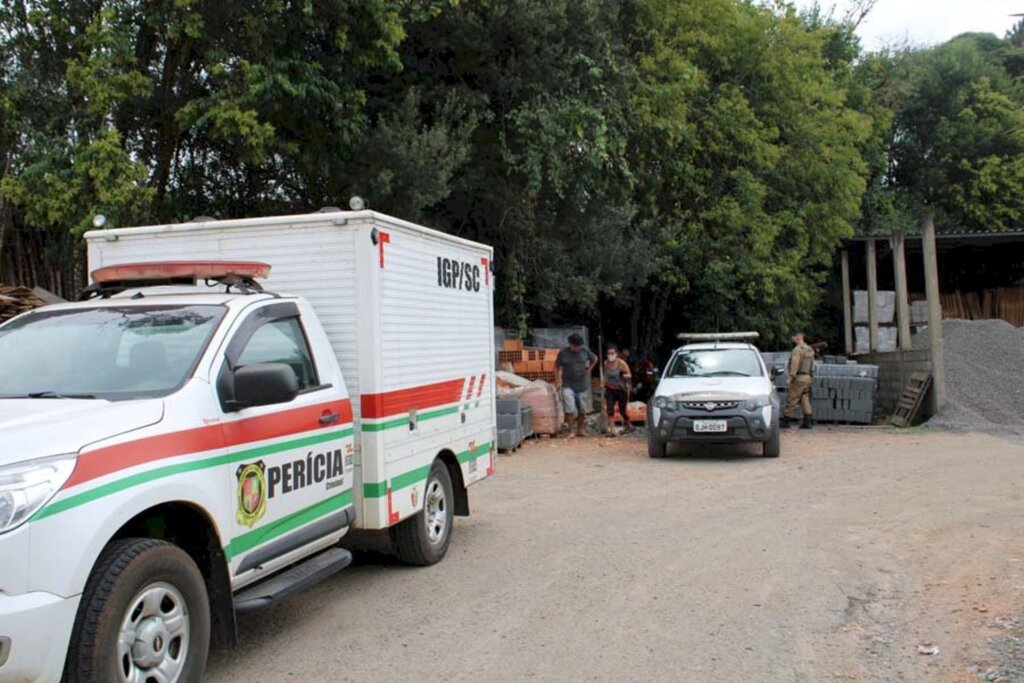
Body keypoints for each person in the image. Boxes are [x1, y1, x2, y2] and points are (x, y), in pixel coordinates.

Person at [555, 333, 597, 437]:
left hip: (581, 385)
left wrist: (589, 369)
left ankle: (580, 430)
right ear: (571, 344)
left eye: (578, 346)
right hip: (567, 385)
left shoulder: (585, 351)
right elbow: (556, 366)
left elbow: (595, 359)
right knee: (569, 408)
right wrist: (558, 380)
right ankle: (570, 431)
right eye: (575, 346)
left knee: (582, 410)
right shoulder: (563, 353)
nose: (577, 348)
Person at [783, 330, 815, 429]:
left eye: (793, 337)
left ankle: (785, 420)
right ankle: (808, 421)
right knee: (805, 399)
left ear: (798, 337)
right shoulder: (809, 349)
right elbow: (813, 366)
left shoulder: (797, 350)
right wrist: (810, 376)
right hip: (807, 377)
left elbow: (795, 364)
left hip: (799, 377)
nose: (792, 339)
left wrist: (791, 377)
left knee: (792, 398)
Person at [603, 344, 634, 434]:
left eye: (612, 353)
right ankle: (612, 430)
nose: (610, 355)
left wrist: (622, 375)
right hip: (610, 389)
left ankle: (629, 424)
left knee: (622, 410)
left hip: (621, 389)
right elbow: (606, 375)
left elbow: (630, 375)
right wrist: (603, 383)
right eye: (608, 353)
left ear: (616, 354)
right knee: (610, 410)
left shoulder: (621, 363)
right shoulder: (606, 363)